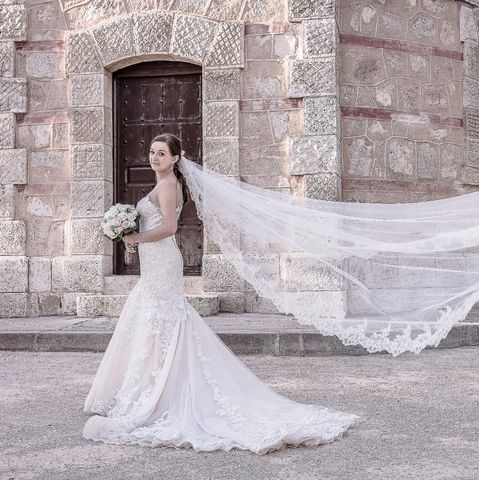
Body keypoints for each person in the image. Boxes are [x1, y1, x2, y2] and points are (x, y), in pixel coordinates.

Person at [82, 133, 362, 454]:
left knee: (161, 316)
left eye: (161, 153)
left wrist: (136, 238)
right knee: (154, 318)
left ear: (175, 158)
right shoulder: (162, 185)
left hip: (162, 262)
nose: (154, 157)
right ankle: (149, 385)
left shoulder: (169, 186)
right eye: (151, 152)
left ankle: (158, 391)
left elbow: (171, 228)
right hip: (154, 262)